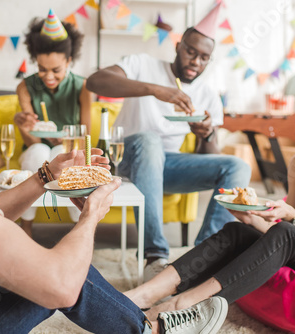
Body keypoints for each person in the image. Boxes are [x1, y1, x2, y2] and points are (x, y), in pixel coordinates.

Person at [0, 26, 230, 334]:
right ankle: (151, 330)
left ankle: (144, 318)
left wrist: (46, 176)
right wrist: (91, 214)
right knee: (56, 274)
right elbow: (62, 286)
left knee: (31, 264)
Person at [122, 35, 295, 322]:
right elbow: (287, 229)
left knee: (286, 232)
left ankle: (182, 306)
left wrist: (293, 217)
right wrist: (250, 218)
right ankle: (141, 295)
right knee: (237, 232)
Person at [87, 19, 251, 280]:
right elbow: (95, 81)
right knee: (150, 142)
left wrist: (206, 133)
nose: (196, 61)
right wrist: (155, 90)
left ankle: (201, 259)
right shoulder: (143, 64)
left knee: (238, 167)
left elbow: (210, 158)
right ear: (178, 46)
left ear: (210, 60)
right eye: (191, 52)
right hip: (123, 158)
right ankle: (155, 256)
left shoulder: (208, 94)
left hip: (167, 165)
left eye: (204, 57)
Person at [14, 9, 93, 236]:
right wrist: (23, 126)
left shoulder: (82, 86)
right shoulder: (25, 87)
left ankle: (77, 228)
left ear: (68, 61)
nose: (48, 77)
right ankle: (26, 227)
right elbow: (32, 142)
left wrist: (68, 142)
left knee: (63, 151)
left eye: (56, 70)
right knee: (40, 151)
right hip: (35, 151)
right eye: (42, 69)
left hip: (68, 148)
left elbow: (85, 135)